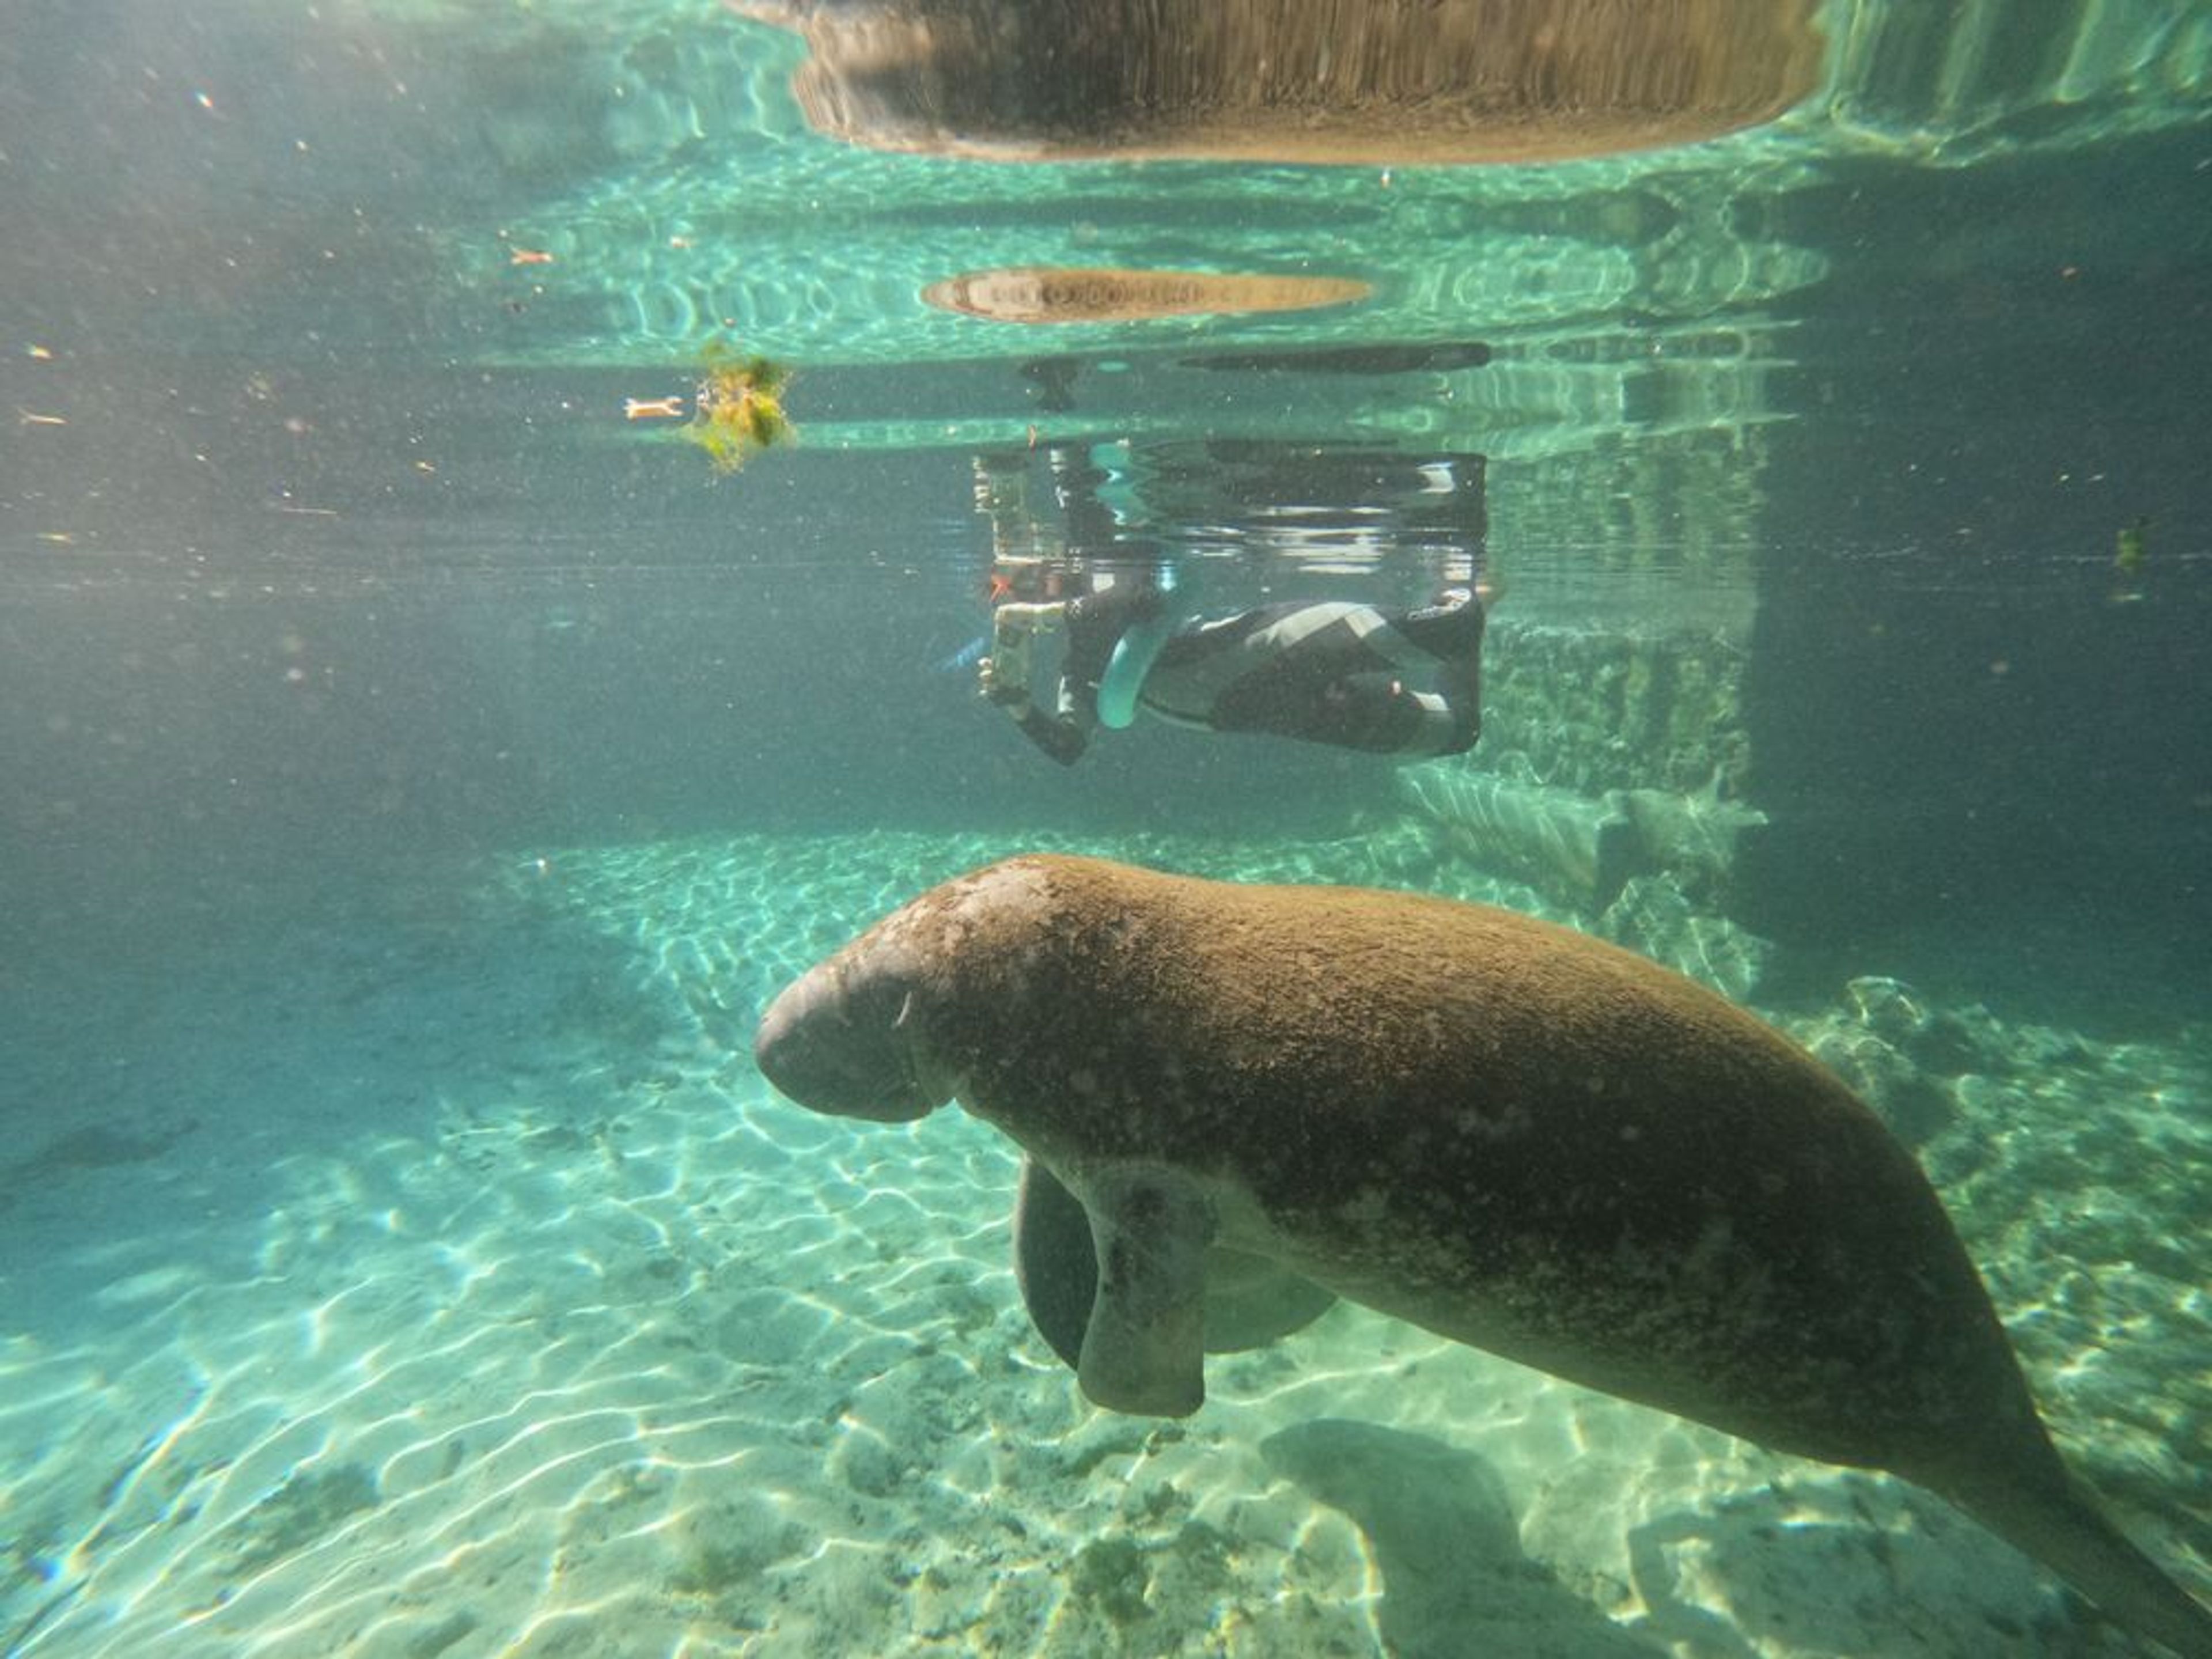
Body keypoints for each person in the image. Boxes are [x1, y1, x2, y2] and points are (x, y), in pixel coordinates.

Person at [979, 572, 1491, 766]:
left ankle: (1467, 581)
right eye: (1012, 591)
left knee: (1454, 630)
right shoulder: (1080, 668)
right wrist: (1018, 706)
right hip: (1266, 709)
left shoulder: (1104, 579)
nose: (1026, 592)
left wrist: (1050, 611)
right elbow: (1070, 747)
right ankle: (1453, 593)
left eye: (1025, 581)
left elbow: (1141, 596)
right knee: (1459, 730)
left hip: (1275, 646)